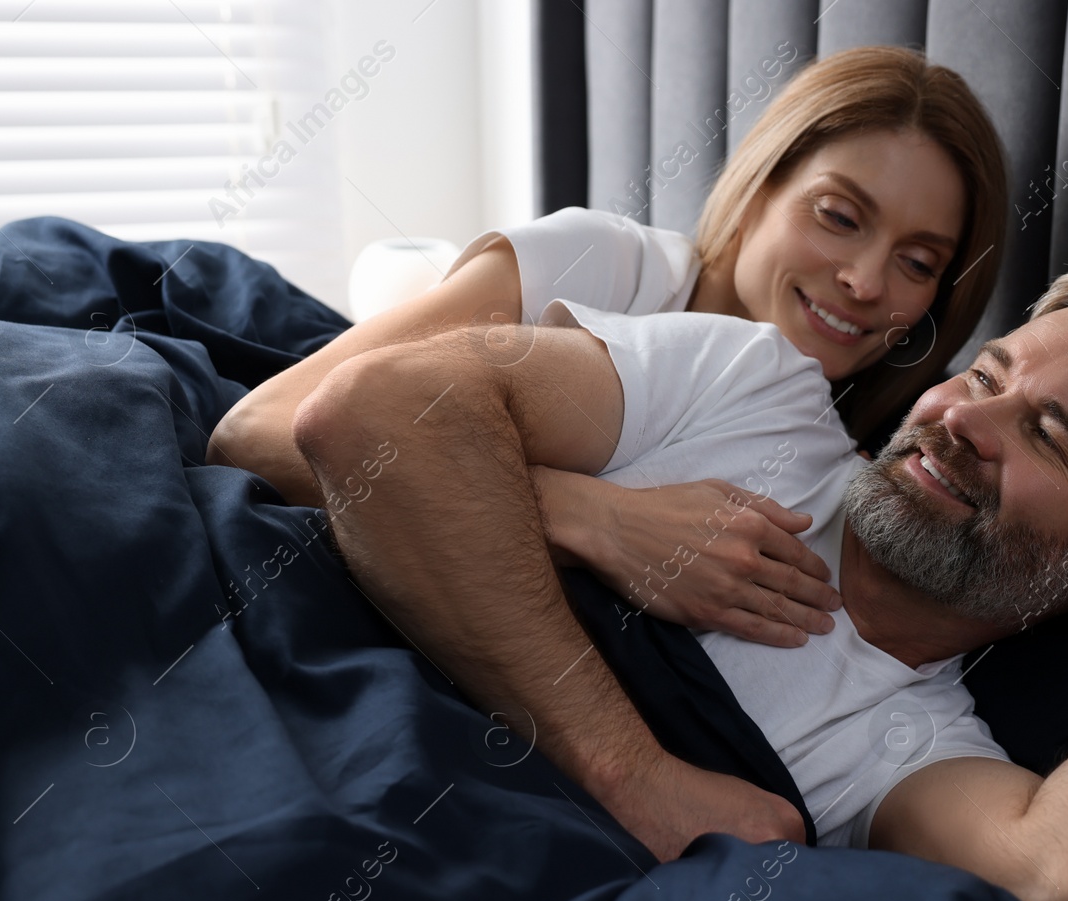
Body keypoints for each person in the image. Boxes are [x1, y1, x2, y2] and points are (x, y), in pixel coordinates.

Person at [281, 252, 1068, 901]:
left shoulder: (908, 747)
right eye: (984, 375)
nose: (961, 420)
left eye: (1049, 434)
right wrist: (628, 759)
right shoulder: (749, 390)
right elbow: (363, 411)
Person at [207, 44, 1006, 650]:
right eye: (838, 215)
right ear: (761, 186)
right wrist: (591, 516)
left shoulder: (841, 474)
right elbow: (258, 434)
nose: (866, 280)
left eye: (917, 262)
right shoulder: (604, 264)